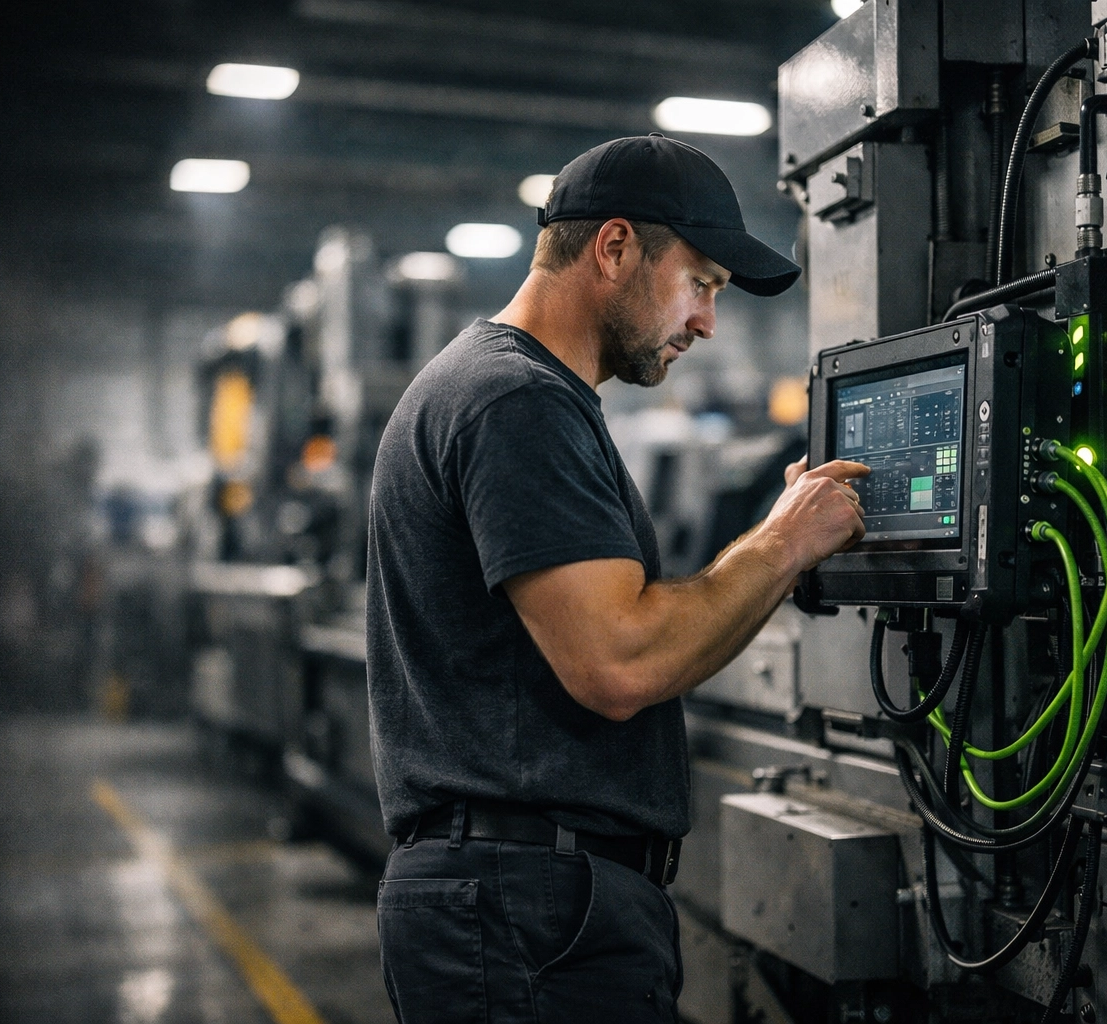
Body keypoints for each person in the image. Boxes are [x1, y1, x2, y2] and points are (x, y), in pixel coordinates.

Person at [366, 134, 869, 1023]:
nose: (707, 322)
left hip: (522, 898)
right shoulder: (516, 400)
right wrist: (783, 544)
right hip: (530, 912)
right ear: (614, 248)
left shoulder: (505, 389)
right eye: (701, 283)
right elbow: (619, 661)